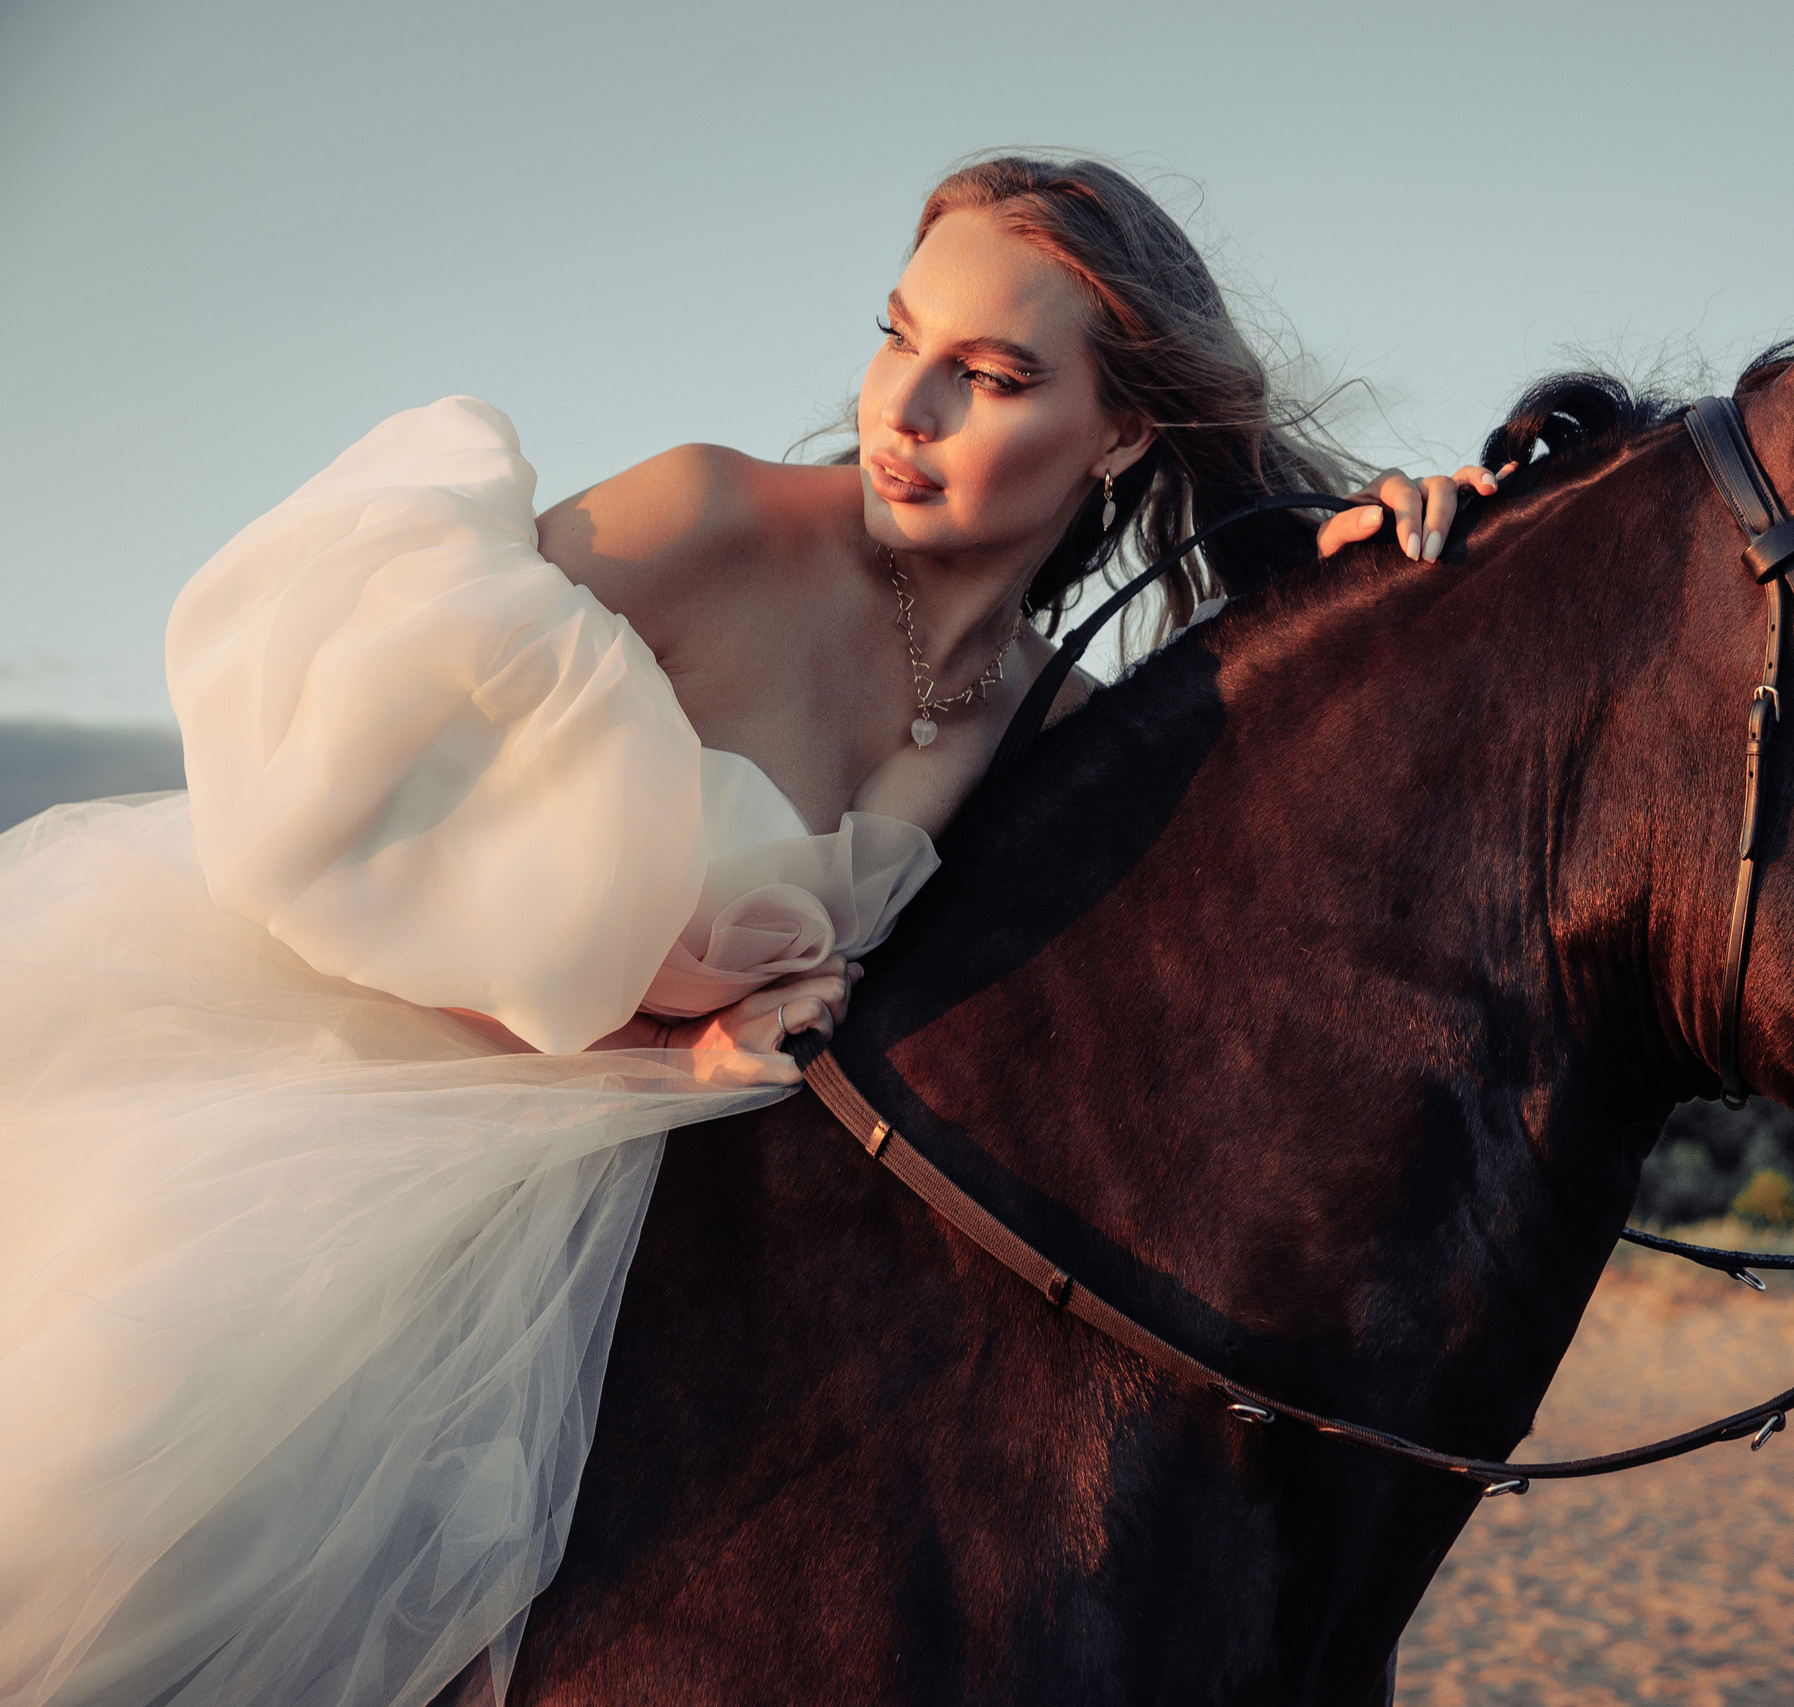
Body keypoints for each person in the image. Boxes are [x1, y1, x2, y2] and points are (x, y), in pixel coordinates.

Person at [0, 154, 1499, 1707]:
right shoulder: (706, 517)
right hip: (384, 1103)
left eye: (985, 379)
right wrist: (662, 1046)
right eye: (894, 336)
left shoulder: (1055, 723)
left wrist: (1367, 583)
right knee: (157, 1508)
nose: (900, 411)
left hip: (694, 1215)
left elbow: (1251, 882)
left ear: (1122, 430)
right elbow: (346, 812)